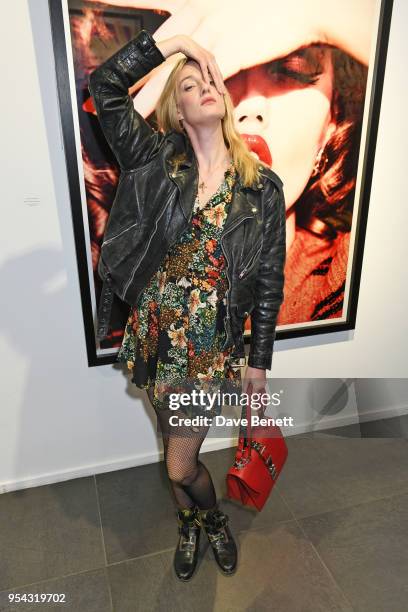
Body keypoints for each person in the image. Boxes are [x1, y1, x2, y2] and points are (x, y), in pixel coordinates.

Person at [89, 28, 286, 581]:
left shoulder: (262, 189)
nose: (204, 86)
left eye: (210, 80)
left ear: (223, 98)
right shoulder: (152, 160)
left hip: (207, 349)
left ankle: (214, 521)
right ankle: (190, 526)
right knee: (170, 442)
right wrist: (173, 43)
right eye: (189, 83)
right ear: (175, 109)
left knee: (179, 463)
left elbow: (269, 279)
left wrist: (259, 361)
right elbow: (105, 84)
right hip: (155, 339)